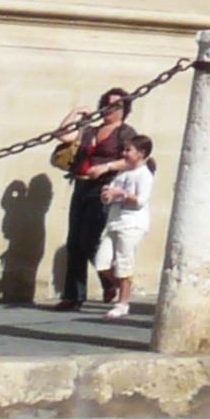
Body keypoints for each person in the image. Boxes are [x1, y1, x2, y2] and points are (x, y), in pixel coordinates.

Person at [47, 87, 137, 312]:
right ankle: (73, 296)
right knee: (74, 241)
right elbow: (63, 135)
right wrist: (76, 113)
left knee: (90, 240)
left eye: (116, 105)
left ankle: (109, 280)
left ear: (124, 109)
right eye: (106, 103)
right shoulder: (90, 130)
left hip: (105, 188)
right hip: (82, 184)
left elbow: (133, 160)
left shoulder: (125, 133)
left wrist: (107, 166)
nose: (109, 109)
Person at [96, 130, 156, 320]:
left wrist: (121, 194)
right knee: (102, 263)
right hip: (115, 222)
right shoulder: (123, 173)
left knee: (123, 262)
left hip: (132, 224)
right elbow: (111, 195)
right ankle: (126, 287)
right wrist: (107, 195)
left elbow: (140, 201)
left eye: (128, 150)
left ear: (141, 153)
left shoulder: (143, 175)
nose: (124, 154)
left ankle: (122, 303)